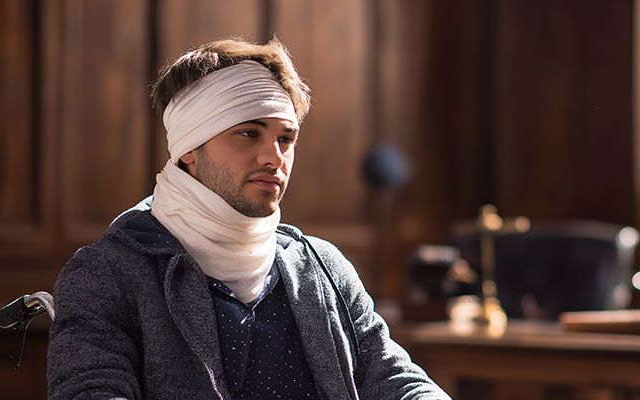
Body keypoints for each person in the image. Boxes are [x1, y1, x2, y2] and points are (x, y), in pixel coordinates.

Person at [47, 38, 449, 399]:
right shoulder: (107, 273)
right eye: (248, 133)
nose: (273, 157)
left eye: (285, 138)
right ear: (189, 147)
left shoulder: (324, 268)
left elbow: (394, 379)